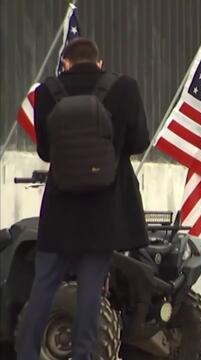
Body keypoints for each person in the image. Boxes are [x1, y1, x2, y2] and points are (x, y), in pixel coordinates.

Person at [16, 38, 150, 360]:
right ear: (99, 63)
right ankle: (84, 355)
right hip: (103, 210)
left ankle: (26, 353)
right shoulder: (125, 88)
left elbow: (46, 151)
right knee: (91, 290)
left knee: (44, 285)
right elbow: (139, 141)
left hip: (60, 208)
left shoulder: (48, 92)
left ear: (65, 63)